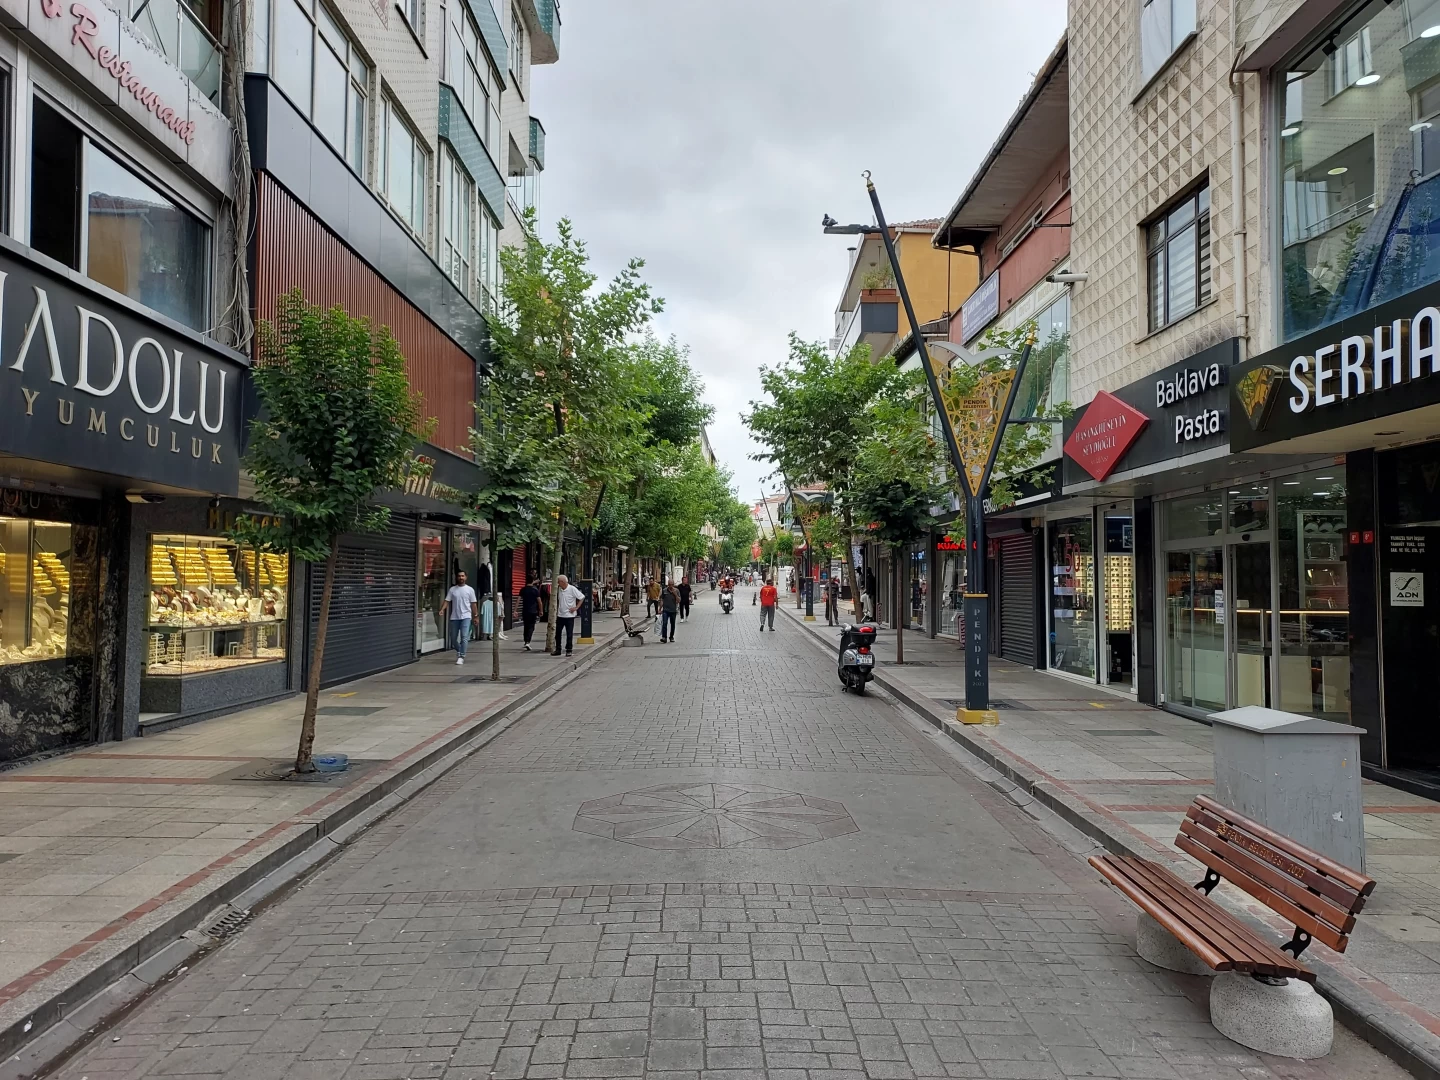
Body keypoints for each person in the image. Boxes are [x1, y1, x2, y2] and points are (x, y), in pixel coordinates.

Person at [439, 571, 478, 665]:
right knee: (453, 638)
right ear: (457, 577)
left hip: (466, 616)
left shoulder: (470, 590)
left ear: (466, 577)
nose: (461, 578)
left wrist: (476, 616)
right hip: (455, 617)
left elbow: (473, 604)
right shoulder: (452, 589)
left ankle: (461, 656)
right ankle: (460, 650)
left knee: (464, 637)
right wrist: (442, 609)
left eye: (462, 576)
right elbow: (447, 600)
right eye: (459, 576)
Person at [553, 574, 586, 657]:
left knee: (569, 634)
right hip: (560, 615)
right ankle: (558, 649)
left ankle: (569, 649)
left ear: (562, 582)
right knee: (558, 633)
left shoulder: (572, 589)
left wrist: (576, 608)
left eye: (558, 582)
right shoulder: (559, 589)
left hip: (569, 616)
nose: (558, 583)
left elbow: (582, 597)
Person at [519, 576, 541, 651]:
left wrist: (515, 610)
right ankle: (528, 641)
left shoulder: (523, 589)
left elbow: (518, 600)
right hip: (533, 611)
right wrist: (541, 610)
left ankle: (526, 641)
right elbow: (539, 602)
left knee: (526, 626)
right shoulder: (535, 590)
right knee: (531, 627)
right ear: (532, 581)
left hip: (525, 611)